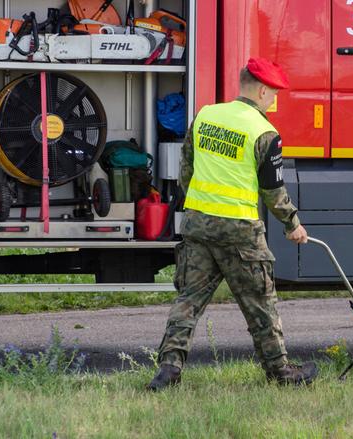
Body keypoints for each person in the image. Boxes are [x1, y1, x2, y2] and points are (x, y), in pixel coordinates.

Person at [148, 58, 318, 391]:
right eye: (274, 95)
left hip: (198, 225)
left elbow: (186, 172)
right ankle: (281, 373)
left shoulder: (205, 116)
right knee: (260, 303)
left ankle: (167, 371)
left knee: (188, 301)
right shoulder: (264, 132)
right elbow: (273, 191)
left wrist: (201, 208)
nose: (273, 101)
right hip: (240, 231)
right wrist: (292, 223)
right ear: (262, 90)